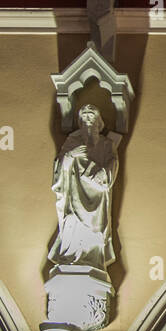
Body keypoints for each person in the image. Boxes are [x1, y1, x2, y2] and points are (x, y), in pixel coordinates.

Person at [47, 104, 118, 272]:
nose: (87, 119)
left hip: (96, 197)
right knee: (72, 221)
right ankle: (72, 256)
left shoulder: (106, 144)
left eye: (91, 115)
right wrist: (71, 156)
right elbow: (58, 167)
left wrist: (101, 174)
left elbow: (113, 163)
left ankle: (92, 258)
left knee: (95, 228)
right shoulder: (71, 142)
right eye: (84, 116)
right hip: (74, 195)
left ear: (98, 120)